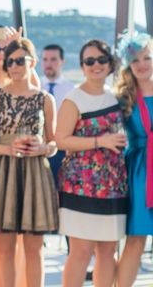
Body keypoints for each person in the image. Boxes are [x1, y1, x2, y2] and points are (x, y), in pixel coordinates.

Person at [0, 38, 58, 287]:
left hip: (36, 173)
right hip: (3, 172)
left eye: (19, 61)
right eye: (9, 61)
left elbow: (54, 143)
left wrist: (43, 147)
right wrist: (7, 149)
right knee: (3, 248)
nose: (14, 66)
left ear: (32, 62)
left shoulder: (46, 99)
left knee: (34, 248)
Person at [55, 39, 127, 287]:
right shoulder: (74, 99)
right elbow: (61, 139)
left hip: (114, 185)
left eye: (101, 60)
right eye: (89, 61)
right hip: (80, 185)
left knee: (108, 251)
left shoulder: (119, 98)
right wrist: (100, 141)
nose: (96, 65)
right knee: (81, 251)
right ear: (82, 65)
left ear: (110, 64)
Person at [115, 32, 153, 286]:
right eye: (135, 59)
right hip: (140, 173)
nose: (142, 64)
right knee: (136, 238)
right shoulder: (122, 98)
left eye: (147, 57)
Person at [41, 43, 76, 187]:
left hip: (63, 151)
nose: (48, 64)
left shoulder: (72, 90)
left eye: (53, 59)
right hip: (39, 149)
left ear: (62, 61)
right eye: (45, 59)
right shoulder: (35, 88)